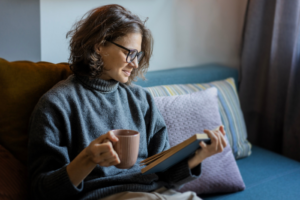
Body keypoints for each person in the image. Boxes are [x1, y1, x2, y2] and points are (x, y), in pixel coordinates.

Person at [27, 4, 227, 200]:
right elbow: (41, 190)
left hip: (156, 193)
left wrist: (199, 156)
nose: (136, 63)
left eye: (138, 54)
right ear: (99, 45)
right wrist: (87, 159)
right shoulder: (56, 104)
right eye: (129, 53)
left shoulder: (141, 99)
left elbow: (165, 176)